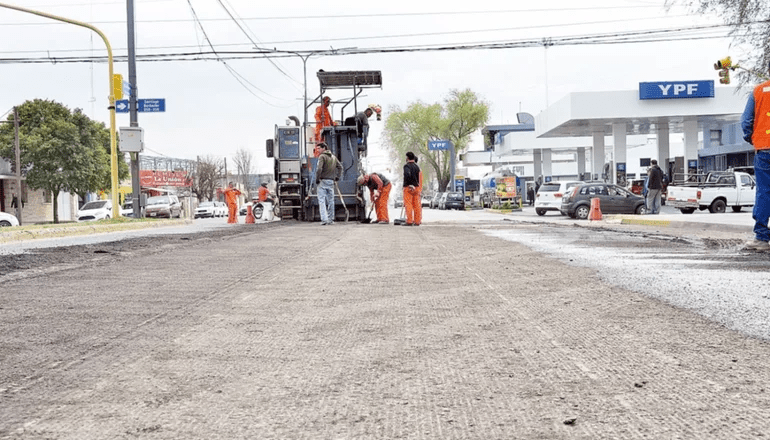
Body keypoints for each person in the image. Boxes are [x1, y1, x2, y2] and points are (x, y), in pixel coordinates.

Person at [741, 65, 770, 251]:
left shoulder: (759, 91)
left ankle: (761, 237)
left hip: (764, 149)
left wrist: (752, 138)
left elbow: (746, 121)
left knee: (764, 192)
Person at [315, 142, 342, 225]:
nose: (318, 150)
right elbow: (340, 167)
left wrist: (317, 179)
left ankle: (324, 219)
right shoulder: (333, 157)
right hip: (331, 181)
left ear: (324, 148)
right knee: (331, 201)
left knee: (322, 200)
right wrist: (337, 177)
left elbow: (319, 169)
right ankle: (330, 219)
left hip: (323, 181)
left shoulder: (322, 156)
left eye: (319, 148)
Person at [402, 151, 423, 226]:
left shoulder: (406, 166)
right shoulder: (417, 167)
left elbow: (407, 174)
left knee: (408, 204)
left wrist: (410, 184)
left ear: (407, 158)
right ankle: (417, 221)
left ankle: (409, 221)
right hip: (416, 188)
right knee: (417, 205)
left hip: (409, 188)